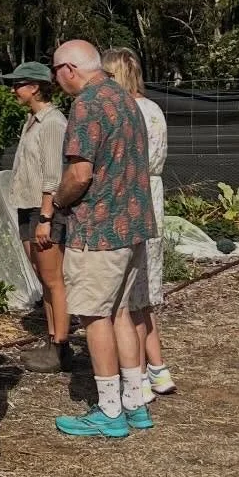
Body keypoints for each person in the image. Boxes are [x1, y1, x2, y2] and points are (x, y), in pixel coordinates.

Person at [47, 39, 160, 440]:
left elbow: (80, 175)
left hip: (99, 229)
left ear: (69, 70)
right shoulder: (125, 98)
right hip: (133, 225)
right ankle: (136, 403)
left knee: (95, 317)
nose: (56, 81)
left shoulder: (87, 104)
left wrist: (56, 203)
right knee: (121, 314)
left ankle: (109, 410)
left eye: (55, 72)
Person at [102, 47, 177, 396]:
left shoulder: (127, 111)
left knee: (128, 297)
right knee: (144, 293)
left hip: (133, 196)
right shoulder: (154, 108)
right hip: (154, 195)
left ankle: (140, 377)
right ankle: (159, 370)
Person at [2, 62, 73, 374]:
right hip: (27, 206)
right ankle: (52, 338)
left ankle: (61, 346)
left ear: (35, 87)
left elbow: (53, 175)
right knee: (44, 278)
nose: (14, 89)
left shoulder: (53, 123)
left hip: (43, 209)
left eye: (19, 84)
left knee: (54, 279)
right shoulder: (31, 121)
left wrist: (46, 217)